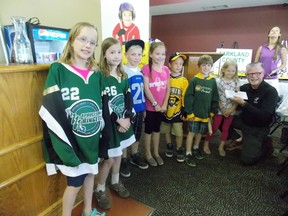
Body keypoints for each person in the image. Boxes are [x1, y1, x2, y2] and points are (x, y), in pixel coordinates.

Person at [39, 22, 106, 216]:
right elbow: (51, 109)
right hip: (72, 141)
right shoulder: (58, 70)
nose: (87, 45)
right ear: (72, 40)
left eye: (92, 42)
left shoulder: (97, 74)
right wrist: (65, 145)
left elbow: (102, 107)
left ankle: (87, 210)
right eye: (83, 39)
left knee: (90, 175)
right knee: (74, 183)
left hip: (91, 139)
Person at [94, 37, 136, 210]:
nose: (116, 56)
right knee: (109, 159)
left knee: (119, 155)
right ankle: (100, 189)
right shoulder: (100, 76)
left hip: (123, 122)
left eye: (119, 52)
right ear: (104, 54)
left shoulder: (123, 74)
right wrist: (117, 119)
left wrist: (127, 118)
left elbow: (128, 99)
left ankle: (116, 181)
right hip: (110, 124)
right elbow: (103, 103)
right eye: (112, 52)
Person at [227, 62, 278, 165]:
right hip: (243, 121)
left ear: (263, 73)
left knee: (247, 161)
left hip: (258, 128)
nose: (254, 76)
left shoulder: (270, 92)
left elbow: (265, 117)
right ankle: (240, 139)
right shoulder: (244, 88)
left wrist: (244, 104)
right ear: (246, 75)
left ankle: (265, 143)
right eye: (250, 74)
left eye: (257, 73)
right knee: (220, 118)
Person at [120, 39, 148, 178]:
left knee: (137, 133)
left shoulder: (141, 71)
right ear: (126, 55)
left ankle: (134, 154)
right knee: (126, 134)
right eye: (133, 54)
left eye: (139, 54)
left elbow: (142, 91)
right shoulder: (123, 71)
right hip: (128, 110)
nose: (136, 57)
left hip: (139, 108)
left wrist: (143, 109)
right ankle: (124, 159)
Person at [184, 55, 219, 167]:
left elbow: (215, 97)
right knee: (191, 133)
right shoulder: (195, 80)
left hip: (205, 115)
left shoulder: (212, 81)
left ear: (211, 66)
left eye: (208, 65)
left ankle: (195, 148)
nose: (206, 67)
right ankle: (188, 152)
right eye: (203, 65)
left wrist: (212, 112)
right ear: (199, 66)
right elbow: (188, 97)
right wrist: (189, 112)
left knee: (200, 133)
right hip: (194, 114)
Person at [203, 59, 240, 157]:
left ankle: (221, 147)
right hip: (219, 109)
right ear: (223, 70)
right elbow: (215, 95)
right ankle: (206, 144)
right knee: (214, 127)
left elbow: (237, 98)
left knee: (225, 129)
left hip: (231, 110)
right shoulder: (218, 81)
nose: (230, 73)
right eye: (228, 70)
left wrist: (231, 110)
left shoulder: (236, 82)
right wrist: (221, 108)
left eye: (233, 71)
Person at [142, 40, 170, 167]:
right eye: (157, 53)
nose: (160, 57)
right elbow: (146, 88)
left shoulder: (166, 69)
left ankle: (156, 153)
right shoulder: (146, 68)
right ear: (151, 54)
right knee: (148, 131)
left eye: (163, 54)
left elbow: (168, 88)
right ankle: (148, 154)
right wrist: (155, 104)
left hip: (161, 108)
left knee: (157, 130)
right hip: (150, 107)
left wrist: (164, 105)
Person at [161, 52, 188, 162]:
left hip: (177, 111)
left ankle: (179, 148)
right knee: (166, 130)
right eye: (175, 63)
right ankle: (169, 145)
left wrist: (184, 109)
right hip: (165, 110)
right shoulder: (165, 78)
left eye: (181, 64)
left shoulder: (184, 81)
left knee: (178, 132)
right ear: (169, 65)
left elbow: (185, 96)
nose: (178, 66)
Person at [255, 26, 287, 94]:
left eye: (276, 31)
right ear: (269, 34)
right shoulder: (261, 48)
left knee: (272, 99)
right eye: (272, 30)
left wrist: (275, 70)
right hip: (260, 79)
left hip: (272, 79)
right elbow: (255, 63)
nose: (274, 32)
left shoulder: (282, 49)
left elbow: (284, 64)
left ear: (279, 35)